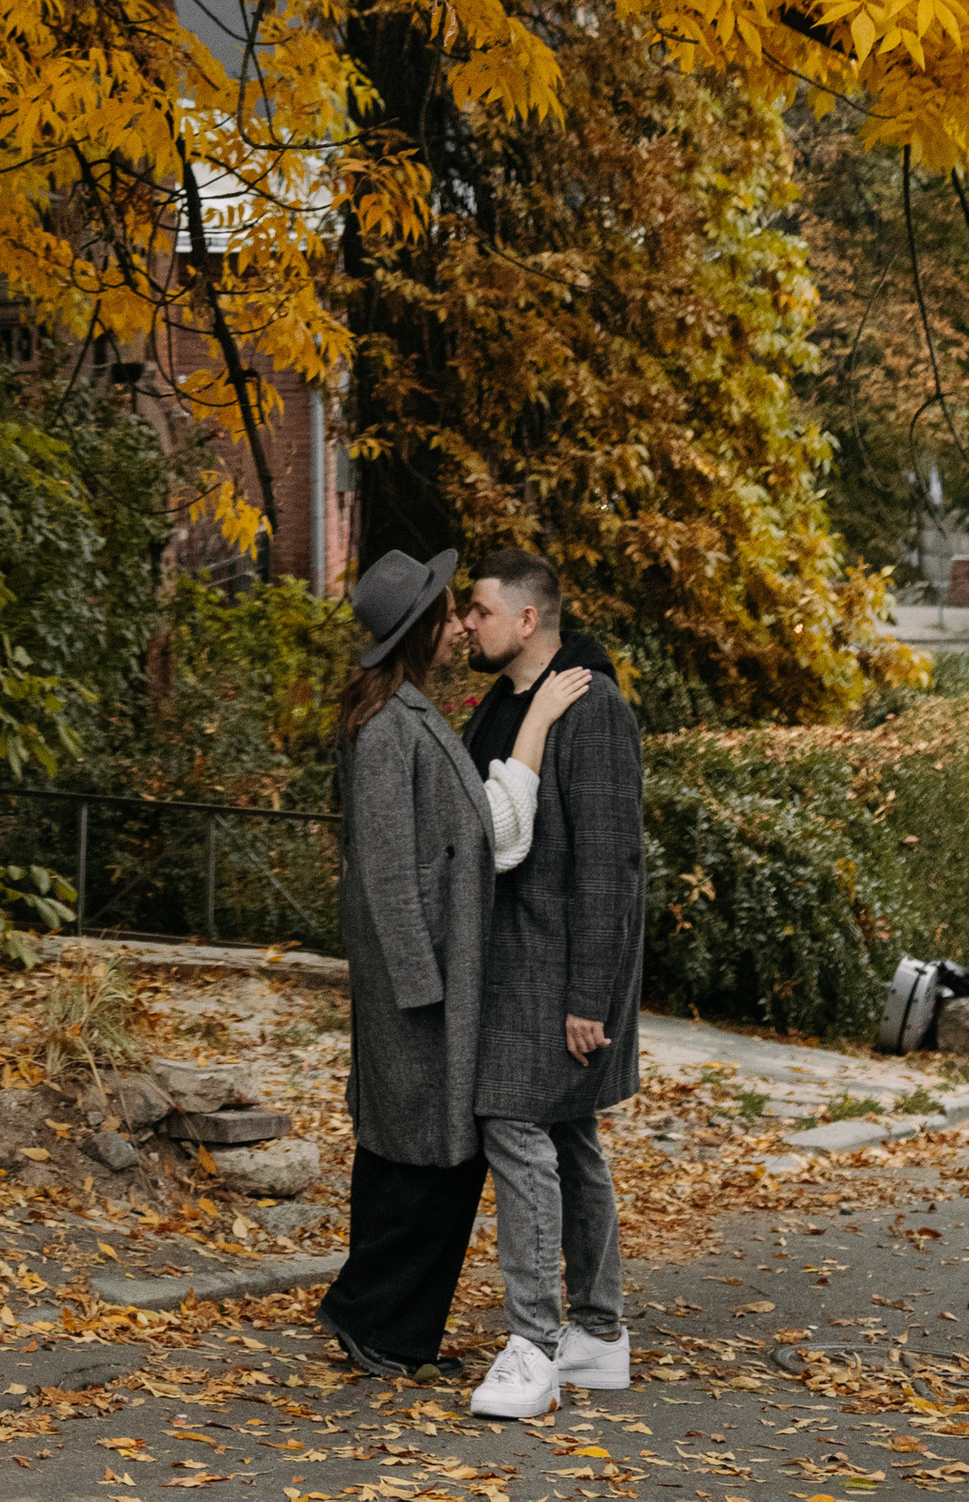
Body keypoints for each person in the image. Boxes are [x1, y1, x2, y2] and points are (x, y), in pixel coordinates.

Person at [319, 546, 593, 1380]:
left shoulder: (410, 714)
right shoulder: (386, 726)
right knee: (422, 1158)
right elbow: (386, 869)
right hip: (423, 981)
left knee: (424, 1153)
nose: (458, 626)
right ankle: (373, 1321)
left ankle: (388, 1327)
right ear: (417, 632)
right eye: (446, 615)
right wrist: (420, 986)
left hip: (438, 974)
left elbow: (467, 837)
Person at [455, 548, 647, 1425]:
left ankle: (533, 1346)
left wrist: (588, 996)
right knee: (570, 1137)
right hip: (513, 959)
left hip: (555, 964)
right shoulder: (506, 703)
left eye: (481, 611)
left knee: (515, 1123)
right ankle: (599, 1335)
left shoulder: (592, 708)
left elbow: (611, 863)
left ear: (527, 620)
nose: (467, 623)